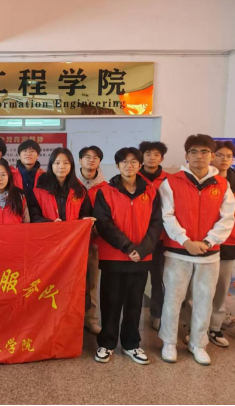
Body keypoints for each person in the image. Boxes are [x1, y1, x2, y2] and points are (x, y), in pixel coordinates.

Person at [158, 134, 235, 366]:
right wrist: (185, 241)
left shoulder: (223, 185)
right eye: (194, 151)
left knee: (204, 301)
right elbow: (167, 215)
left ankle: (198, 344)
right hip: (177, 252)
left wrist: (209, 242)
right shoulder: (171, 182)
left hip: (209, 255)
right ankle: (169, 342)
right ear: (186, 155)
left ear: (212, 156)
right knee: (172, 299)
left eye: (204, 152)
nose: (199, 156)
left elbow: (227, 218)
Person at [93, 147, 163, 365]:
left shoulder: (151, 192)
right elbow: (103, 223)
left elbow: (156, 224)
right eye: (124, 162)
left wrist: (142, 250)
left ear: (140, 165)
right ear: (117, 166)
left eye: (133, 162)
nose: (129, 165)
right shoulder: (105, 192)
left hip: (140, 259)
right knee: (110, 302)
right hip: (113, 257)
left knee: (134, 303)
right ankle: (107, 343)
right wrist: (126, 246)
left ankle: (131, 344)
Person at [183, 140, 235, 348]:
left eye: (229, 156)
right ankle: (193, 328)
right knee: (196, 289)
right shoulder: (202, 180)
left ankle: (214, 328)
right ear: (212, 156)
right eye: (220, 155)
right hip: (201, 244)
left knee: (220, 289)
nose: (224, 160)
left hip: (227, 245)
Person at [138, 141, 169, 332]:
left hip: (162, 238)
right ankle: (132, 316)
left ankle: (157, 314)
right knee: (137, 279)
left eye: (156, 154)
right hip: (138, 238)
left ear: (162, 158)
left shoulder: (170, 180)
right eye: (148, 154)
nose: (151, 158)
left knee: (159, 279)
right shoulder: (133, 177)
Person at [77, 145, 108, 335]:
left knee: (93, 282)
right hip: (73, 243)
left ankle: (91, 319)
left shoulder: (106, 188)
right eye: (87, 157)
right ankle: (73, 318)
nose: (91, 160)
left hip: (95, 242)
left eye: (95, 157)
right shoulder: (71, 184)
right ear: (80, 160)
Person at [31, 148, 92, 223]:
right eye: (57, 163)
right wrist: (51, 222)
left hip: (72, 230)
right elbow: (34, 216)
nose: (61, 166)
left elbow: (85, 214)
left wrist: (85, 219)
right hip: (49, 229)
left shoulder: (79, 189)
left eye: (66, 163)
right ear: (51, 165)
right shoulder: (40, 188)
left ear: (71, 166)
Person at [14, 140, 45, 207]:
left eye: (32, 151)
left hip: (40, 212)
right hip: (17, 211)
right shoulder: (11, 175)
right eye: (25, 151)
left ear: (37, 156)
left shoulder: (45, 176)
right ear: (19, 155)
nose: (28, 154)